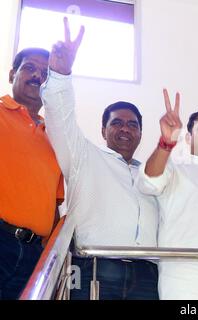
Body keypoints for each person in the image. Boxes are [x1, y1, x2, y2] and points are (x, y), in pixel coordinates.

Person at [40, 18, 159, 300]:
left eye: (132, 125)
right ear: (103, 130)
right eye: (117, 123)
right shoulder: (83, 155)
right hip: (94, 269)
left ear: (141, 133)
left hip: (148, 275)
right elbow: (61, 117)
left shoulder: (152, 175)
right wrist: (60, 75)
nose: (125, 129)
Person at [136, 96, 198, 299]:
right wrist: (166, 142)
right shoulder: (175, 169)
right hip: (183, 285)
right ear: (189, 138)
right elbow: (148, 182)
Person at [0, 47, 64, 300]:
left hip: (33, 256)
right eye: (29, 68)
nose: (38, 76)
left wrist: (53, 259)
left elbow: (54, 205)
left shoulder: (55, 137)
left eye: (45, 73)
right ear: (12, 73)